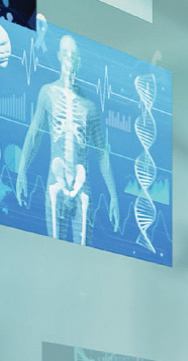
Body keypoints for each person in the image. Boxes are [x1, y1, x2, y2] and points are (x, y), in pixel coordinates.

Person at [15, 33, 120, 246]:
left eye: (74, 54)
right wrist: (21, 172)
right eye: (66, 53)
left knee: (83, 250)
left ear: (79, 60)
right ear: (59, 56)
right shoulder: (48, 93)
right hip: (55, 182)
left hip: (83, 187)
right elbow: (34, 134)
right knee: (55, 248)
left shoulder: (90, 106)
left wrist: (114, 196)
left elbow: (102, 153)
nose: (70, 57)